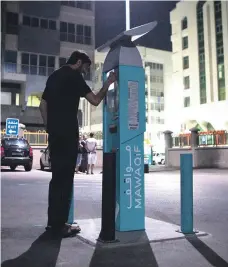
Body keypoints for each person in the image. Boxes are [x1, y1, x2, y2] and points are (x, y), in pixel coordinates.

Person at [39, 50, 116, 238]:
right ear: (79, 62)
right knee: (66, 181)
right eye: (85, 68)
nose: (85, 72)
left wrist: (50, 129)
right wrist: (108, 83)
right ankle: (60, 226)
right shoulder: (74, 77)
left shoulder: (54, 76)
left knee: (56, 180)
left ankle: (53, 224)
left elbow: (42, 106)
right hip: (68, 136)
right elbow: (95, 100)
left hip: (55, 136)